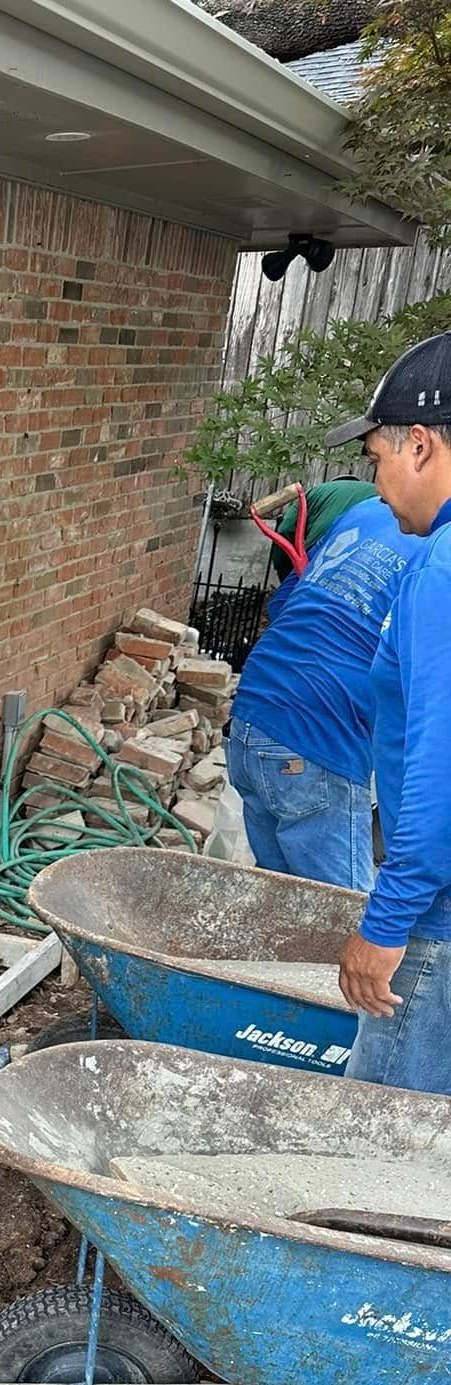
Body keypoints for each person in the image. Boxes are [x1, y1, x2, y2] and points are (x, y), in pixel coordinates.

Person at [326, 333, 451, 1092]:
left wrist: (386, 924)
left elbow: (444, 765)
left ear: (421, 444)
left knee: (380, 1155)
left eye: (374, 458)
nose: (374, 485)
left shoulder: (444, 571)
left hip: (438, 921)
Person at [227, 485, 422, 889]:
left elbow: (285, 605)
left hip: (252, 715)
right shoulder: (438, 547)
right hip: (316, 738)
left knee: (283, 902)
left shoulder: (367, 510)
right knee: (344, 917)